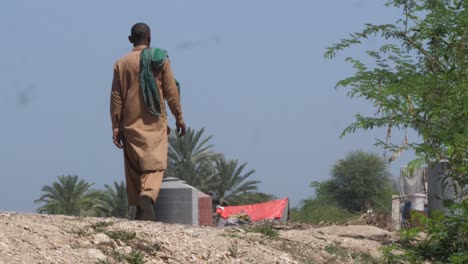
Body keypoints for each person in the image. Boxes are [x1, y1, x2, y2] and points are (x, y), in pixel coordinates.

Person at [110, 23, 186, 220]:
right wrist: (179, 117)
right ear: (149, 38)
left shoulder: (121, 63)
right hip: (155, 124)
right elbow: (171, 92)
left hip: (130, 123)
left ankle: (140, 209)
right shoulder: (160, 59)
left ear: (130, 39)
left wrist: (116, 126)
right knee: (155, 166)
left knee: (134, 167)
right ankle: (147, 196)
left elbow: (116, 96)